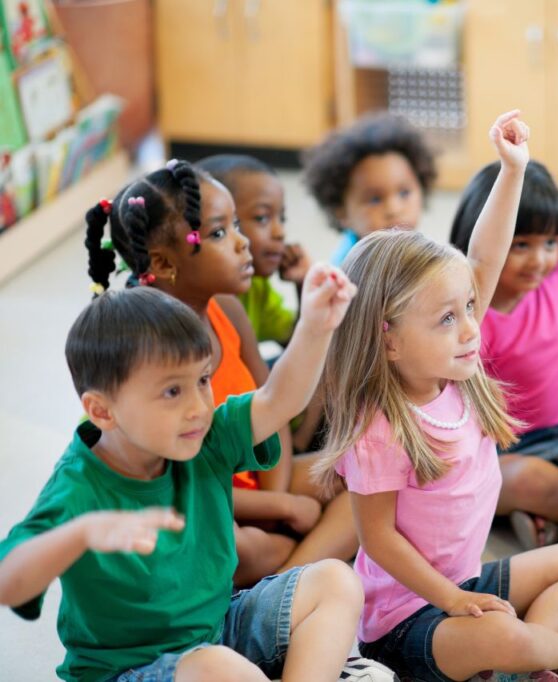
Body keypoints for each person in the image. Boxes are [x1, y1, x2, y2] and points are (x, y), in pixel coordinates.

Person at [315, 111, 558, 681]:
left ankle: (527, 654)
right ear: (387, 340)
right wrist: (454, 601)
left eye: (469, 308)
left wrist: (513, 171)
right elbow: (380, 541)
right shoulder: (378, 427)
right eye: (447, 318)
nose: (471, 328)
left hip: (466, 587)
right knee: (503, 633)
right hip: (403, 621)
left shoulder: (455, 374)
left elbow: (483, 260)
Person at [0, 267, 368, 682]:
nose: (198, 405)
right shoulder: (78, 487)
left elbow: (277, 400)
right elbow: (7, 581)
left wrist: (315, 328)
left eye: (203, 380)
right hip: (128, 671)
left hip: (216, 632)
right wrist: (80, 534)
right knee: (217, 667)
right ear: (102, 410)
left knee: (336, 580)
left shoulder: (202, 435)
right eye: (173, 391)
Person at [79, 161, 357, 584]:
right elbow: (177, 484)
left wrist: (277, 494)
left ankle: (284, 577)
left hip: (257, 483)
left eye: (238, 226)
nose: (243, 244)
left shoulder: (225, 307)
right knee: (231, 545)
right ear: (163, 262)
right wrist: (278, 510)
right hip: (195, 500)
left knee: (365, 478)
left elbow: (272, 405)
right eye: (220, 233)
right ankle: (287, 576)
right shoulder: (145, 345)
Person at [448, 36, 558, 549]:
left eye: (549, 242)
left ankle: (550, 515)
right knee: (531, 481)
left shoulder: (554, 274)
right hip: (500, 454)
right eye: (521, 245)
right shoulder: (467, 302)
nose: (541, 258)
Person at [196, 154, 309, 348]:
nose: (280, 232)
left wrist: (303, 284)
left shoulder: (256, 287)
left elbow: (293, 344)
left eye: (281, 219)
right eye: (262, 218)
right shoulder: (194, 298)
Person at [303, 112, 437, 268]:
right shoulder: (346, 270)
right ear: (341, 211)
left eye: (404, 193)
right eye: (375, 199)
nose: (394, 209)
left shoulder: (421, 254)